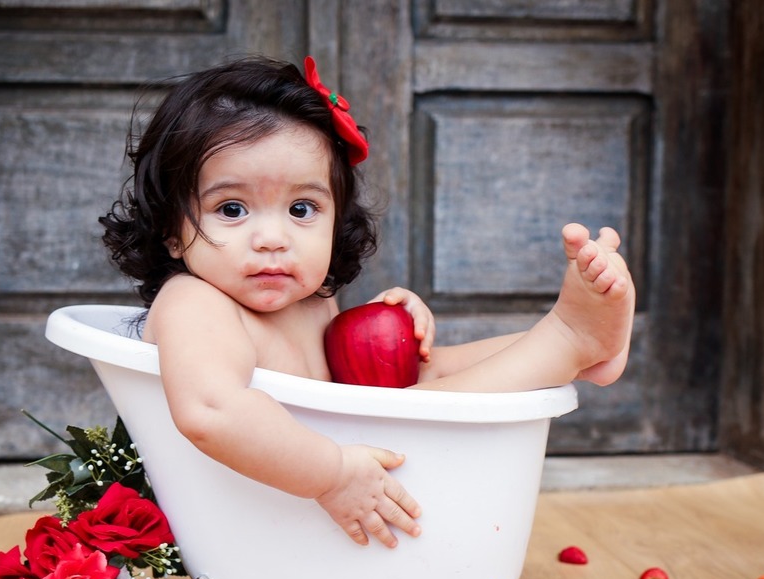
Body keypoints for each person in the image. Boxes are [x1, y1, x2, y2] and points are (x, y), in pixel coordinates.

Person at [100, 55, 634, 550]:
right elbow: (212, 412)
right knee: (430, 401)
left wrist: (389, 330)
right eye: (233, 208)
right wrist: (332, 474)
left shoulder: (313, 301)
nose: (272, 238)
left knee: (428, 370)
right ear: (172, 231)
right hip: (299, 495)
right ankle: (568, 339)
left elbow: (345, 388)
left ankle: (582, 347)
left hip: (362, 451)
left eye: (303, 208)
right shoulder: (194, 303)